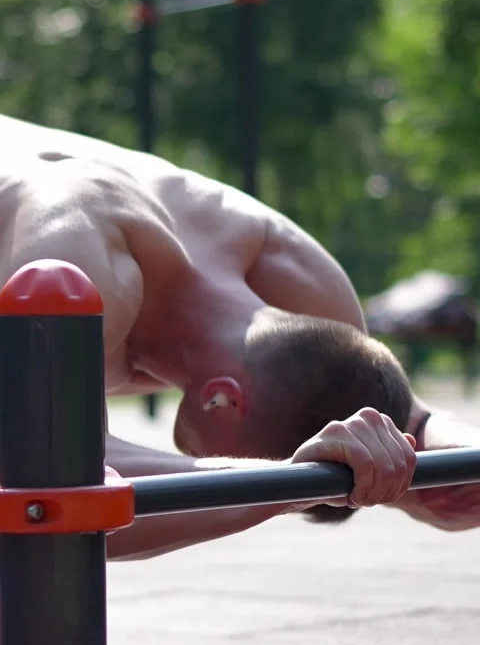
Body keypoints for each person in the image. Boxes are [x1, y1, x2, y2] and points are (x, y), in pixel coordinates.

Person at [0, 114, 478, 560]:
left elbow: (408, 421)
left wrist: (454, 471)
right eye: (224, 455)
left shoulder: (303, 288)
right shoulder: (70, 265)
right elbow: (49, 482)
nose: (202, 458)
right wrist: (285, 486)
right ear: (223, 400)